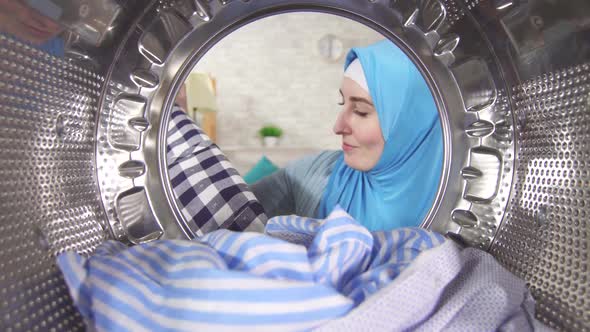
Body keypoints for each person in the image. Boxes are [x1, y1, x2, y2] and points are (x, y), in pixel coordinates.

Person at [251, 39, 443, 231]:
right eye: (343, 103)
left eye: (360, 111)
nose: (338, 127)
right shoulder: (315, 173)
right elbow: (232, 214)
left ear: (410, 123)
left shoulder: (458, 214)